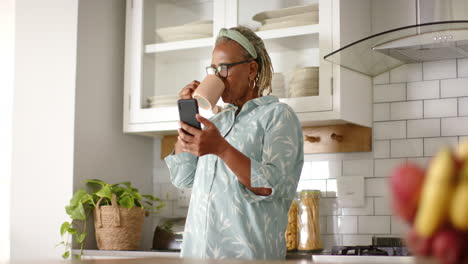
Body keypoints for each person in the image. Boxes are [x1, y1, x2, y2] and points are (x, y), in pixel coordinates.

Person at [164, 26, 304, 260]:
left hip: (247, 257)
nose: (217, 77)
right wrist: (187, 115)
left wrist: (222, 149)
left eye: (224, 68)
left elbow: (270, 186)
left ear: (251, 69)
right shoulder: (216, 122)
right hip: (196, 256)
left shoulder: (278, 115)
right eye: (213, 69)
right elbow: (183, 176)